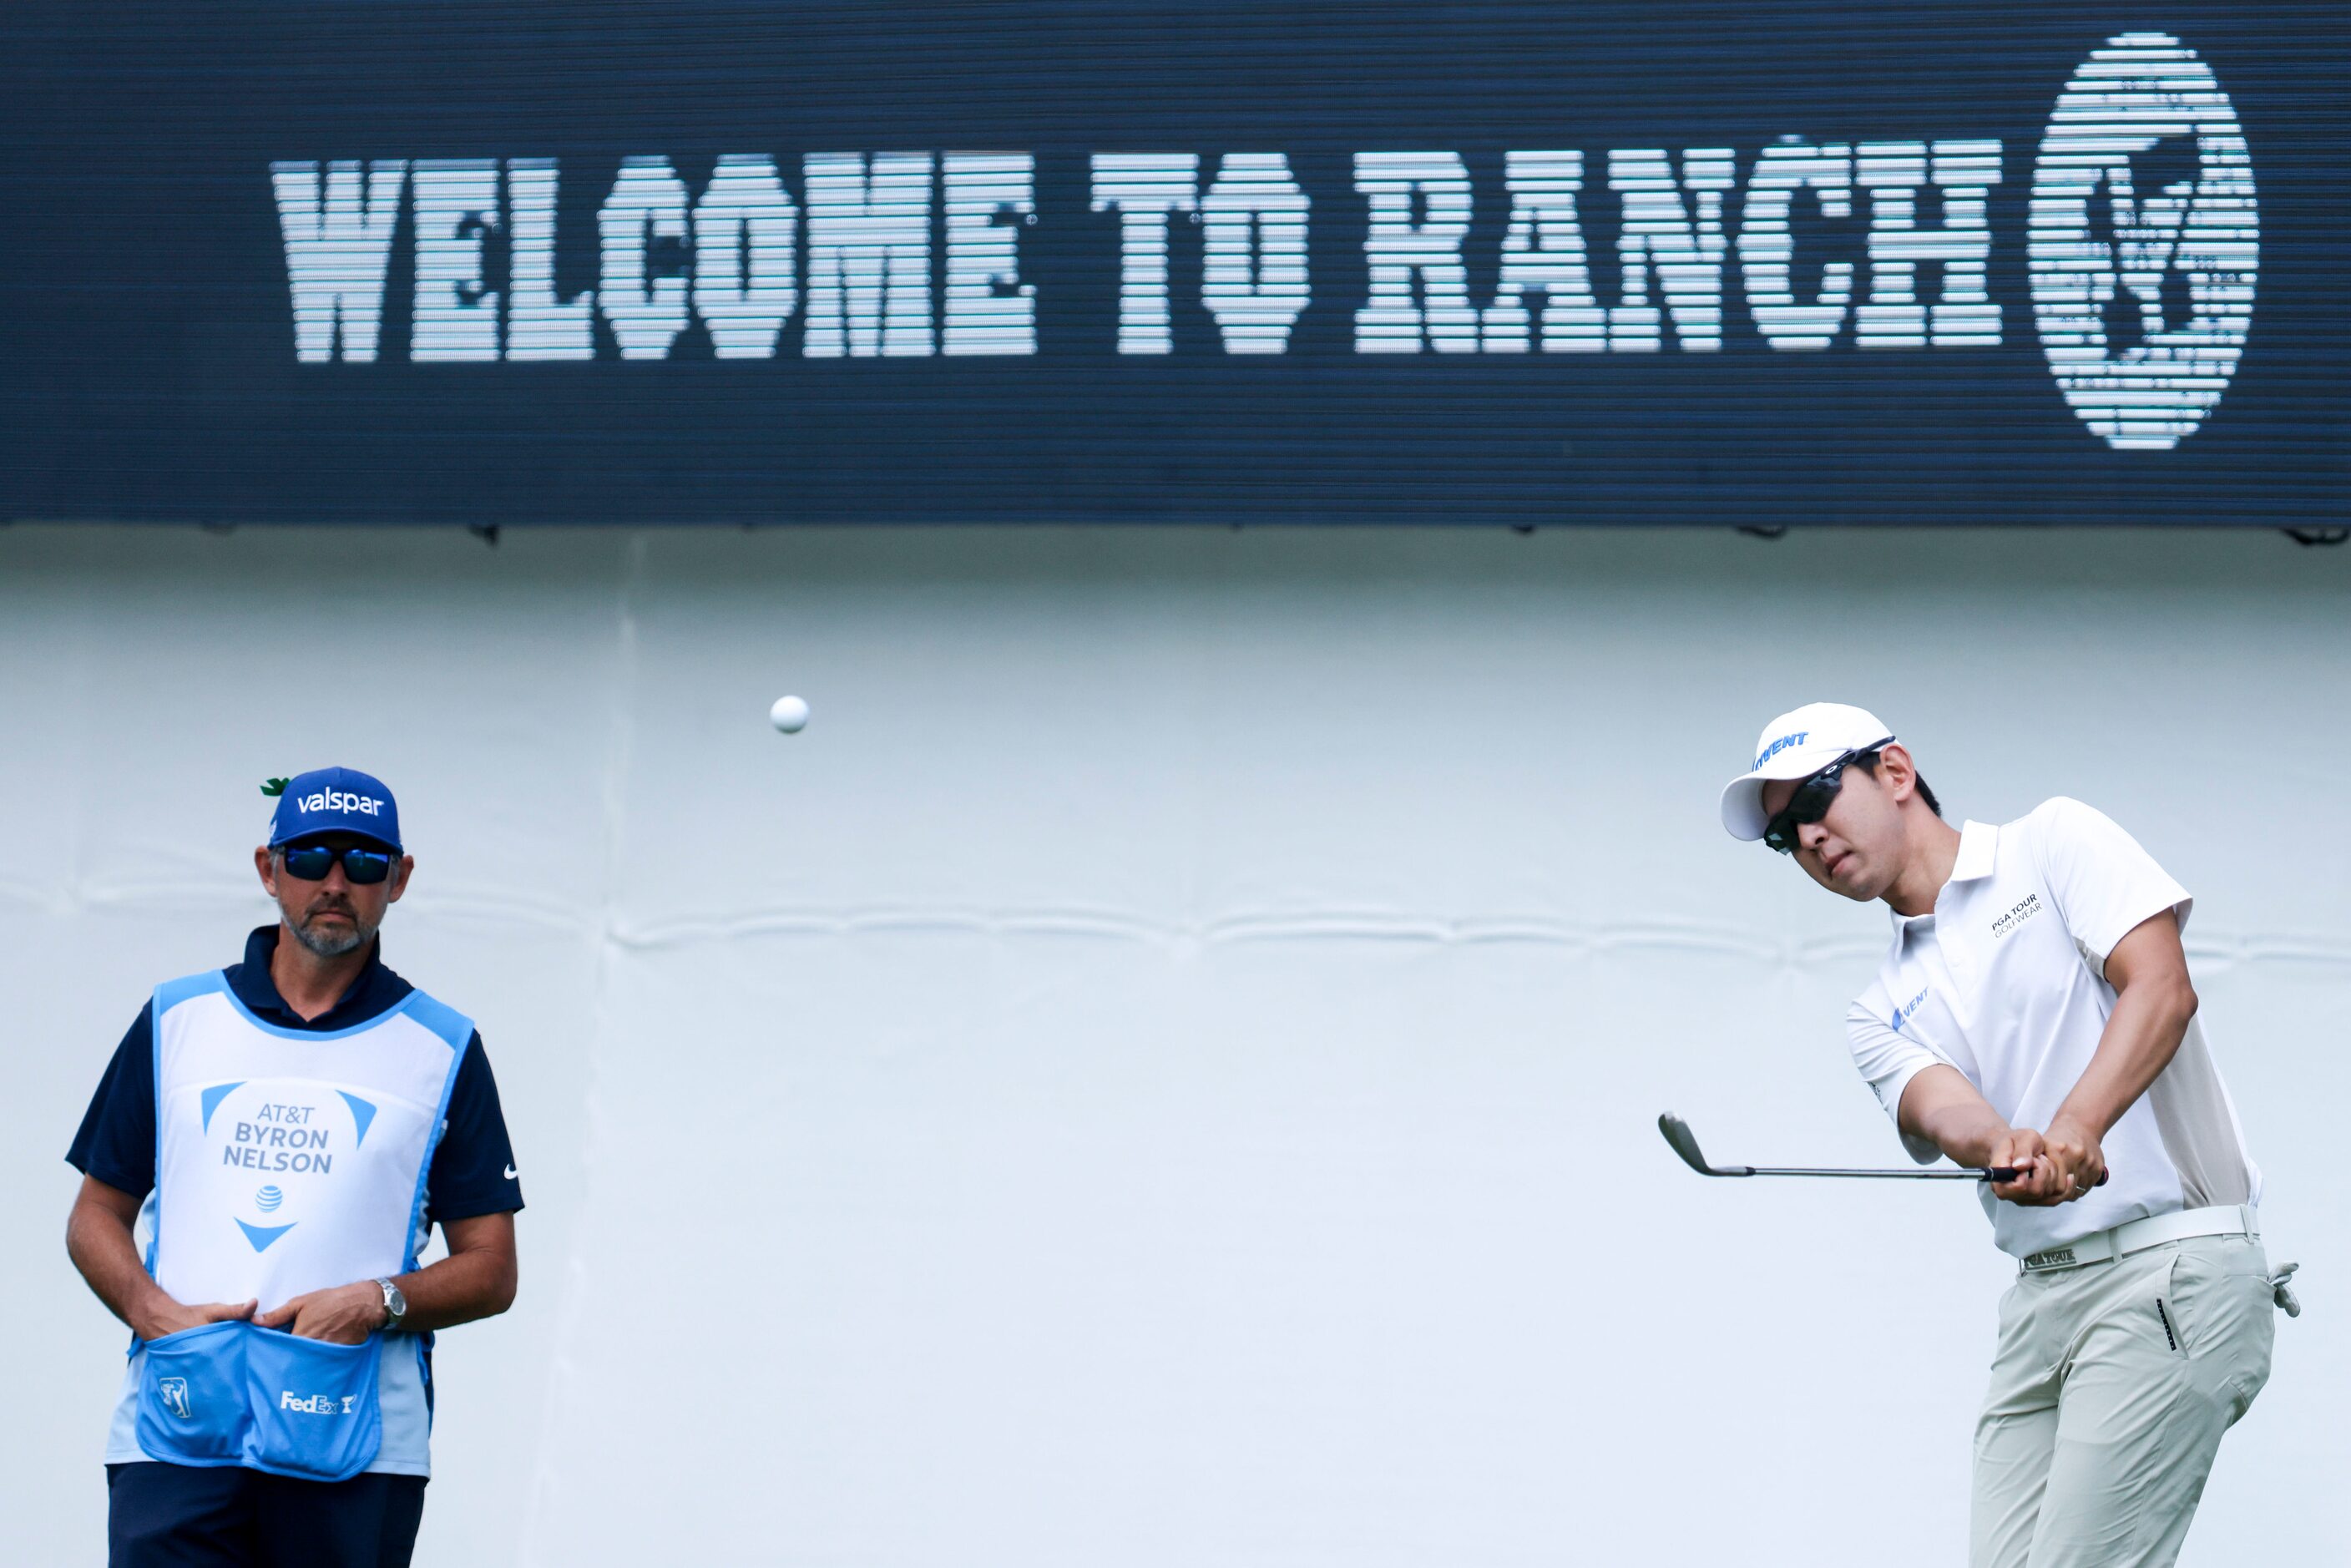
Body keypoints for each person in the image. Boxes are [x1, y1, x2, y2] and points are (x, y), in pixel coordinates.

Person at [1718, 703, 2295, 1568]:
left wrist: (2074, 1127)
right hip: (2039, 1305)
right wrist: (2004, 1148)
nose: (1804, 838)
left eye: (1813, 800)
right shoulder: (1876, 1010)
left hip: (2170, 1270)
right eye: (1779, 837)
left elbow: (2161, 989)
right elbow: (1944, 1112)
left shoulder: (2051, 844)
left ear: (1896, 772)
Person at [64, 766, 523, 1568]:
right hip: (177, 1430)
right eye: (310, 859)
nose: (336, 883)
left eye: (366, 863)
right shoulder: (178, 1019)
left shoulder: (443, 1046)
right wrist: (151, 1310)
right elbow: (93, 1216)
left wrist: (375, 1301)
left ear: (401, 879)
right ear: (268, 869)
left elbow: (492, 1270)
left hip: (355, 1444)